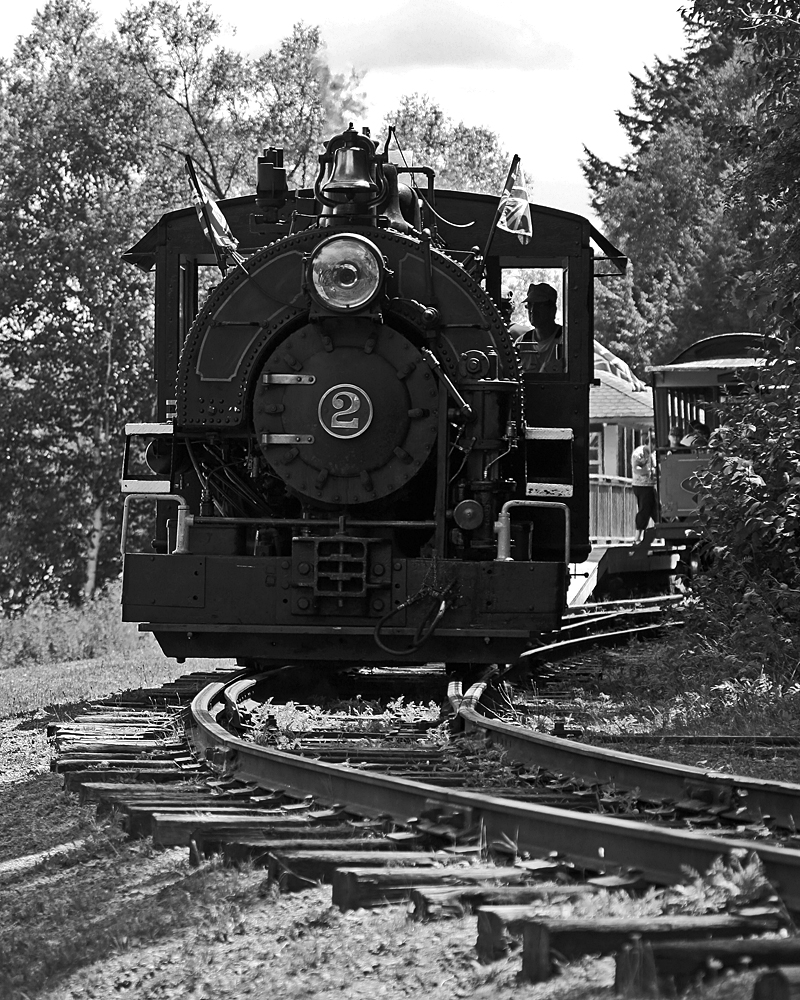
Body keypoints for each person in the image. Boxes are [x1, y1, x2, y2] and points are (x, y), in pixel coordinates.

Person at [509, 282, 564, 372]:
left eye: (539, 305)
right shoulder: (521, 343)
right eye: (530, 305)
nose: (532, 310)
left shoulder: (565, 339)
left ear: (552, 310)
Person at [631, 442, 656, 543]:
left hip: (650, 485)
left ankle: (658, 530)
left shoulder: (653, 453)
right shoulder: (639, 453)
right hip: (641, 485)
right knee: (644, 509)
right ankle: (637, 536)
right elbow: (636, 468)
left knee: (655, 509)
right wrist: (649, 471)